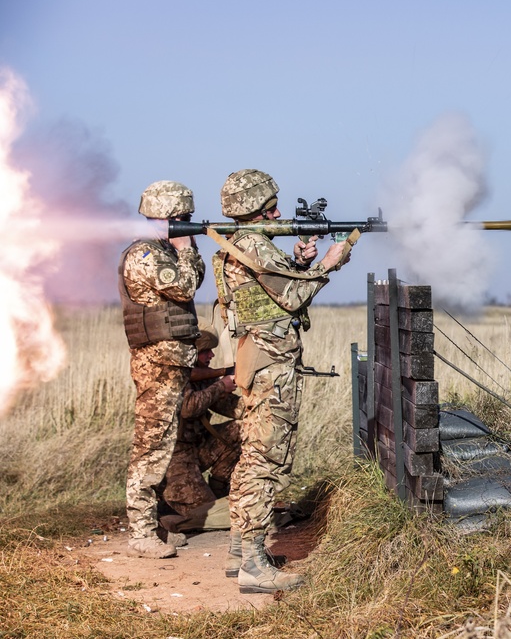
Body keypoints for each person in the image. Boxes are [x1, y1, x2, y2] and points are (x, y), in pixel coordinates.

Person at [213, 168, 354, 593]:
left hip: (256, 362)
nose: (278, 211)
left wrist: (298, 263)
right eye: (271, 206)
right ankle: (254, 566)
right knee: (266, 459)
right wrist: (329, 264)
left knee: (251, 454)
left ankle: (241, 551)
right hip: (271, 367)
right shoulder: (254, 246)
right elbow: (292, 297)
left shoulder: (233, 244)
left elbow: (272, 290)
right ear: (257, 209)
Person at [118, 180, 204, 558]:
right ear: (170, 217)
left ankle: (151, 525)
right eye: (184, 218)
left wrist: (187, 248)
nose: (187, 224)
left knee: (163, 444)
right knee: (150, 447)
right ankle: (139, 534)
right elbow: (185, 288)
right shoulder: (146, 256)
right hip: (156, 364)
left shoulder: (163, 251)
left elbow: (191, 282)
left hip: (170, 363)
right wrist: (187, 250)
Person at [156, 324, 242, 538]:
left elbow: (229, 407)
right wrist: (221, 385)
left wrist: (255, 395)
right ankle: (166, 512)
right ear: (192, 352)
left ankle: (220, 489)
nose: (211, 355)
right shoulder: (172, 376)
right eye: (205, 351)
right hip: (173, 458)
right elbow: (188, 408)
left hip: (197, 448)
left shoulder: (203, 377)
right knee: (208, 514)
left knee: (241, 430)